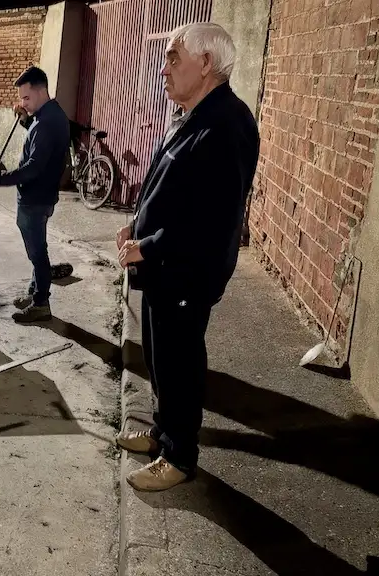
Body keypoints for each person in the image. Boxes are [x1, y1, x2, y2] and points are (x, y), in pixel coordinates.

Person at [115, 22, 260, 492]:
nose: (164, 68)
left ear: (207, 64)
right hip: (163, 268)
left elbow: (211, 221)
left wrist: (147, 245)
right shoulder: (195, 113)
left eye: (174, 57)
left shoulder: (226, 125)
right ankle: (162, 432)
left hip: (187, 272)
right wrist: (136, 229)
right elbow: (174, 190)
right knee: (159, 356)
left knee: (180, 362)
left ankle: (179, 454)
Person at [0, 66, 70, 324]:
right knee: (37, 249)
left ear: (41, 91)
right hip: (41, 196)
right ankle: (35, 293)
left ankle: (41, 303)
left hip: (35, 198)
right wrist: (24, 119)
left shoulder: (47, 122)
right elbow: (37, 136)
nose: (23, 103)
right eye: (21, 99)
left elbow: (32, 168)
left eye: (26, 98)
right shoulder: (51, 115)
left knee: (37, 253)